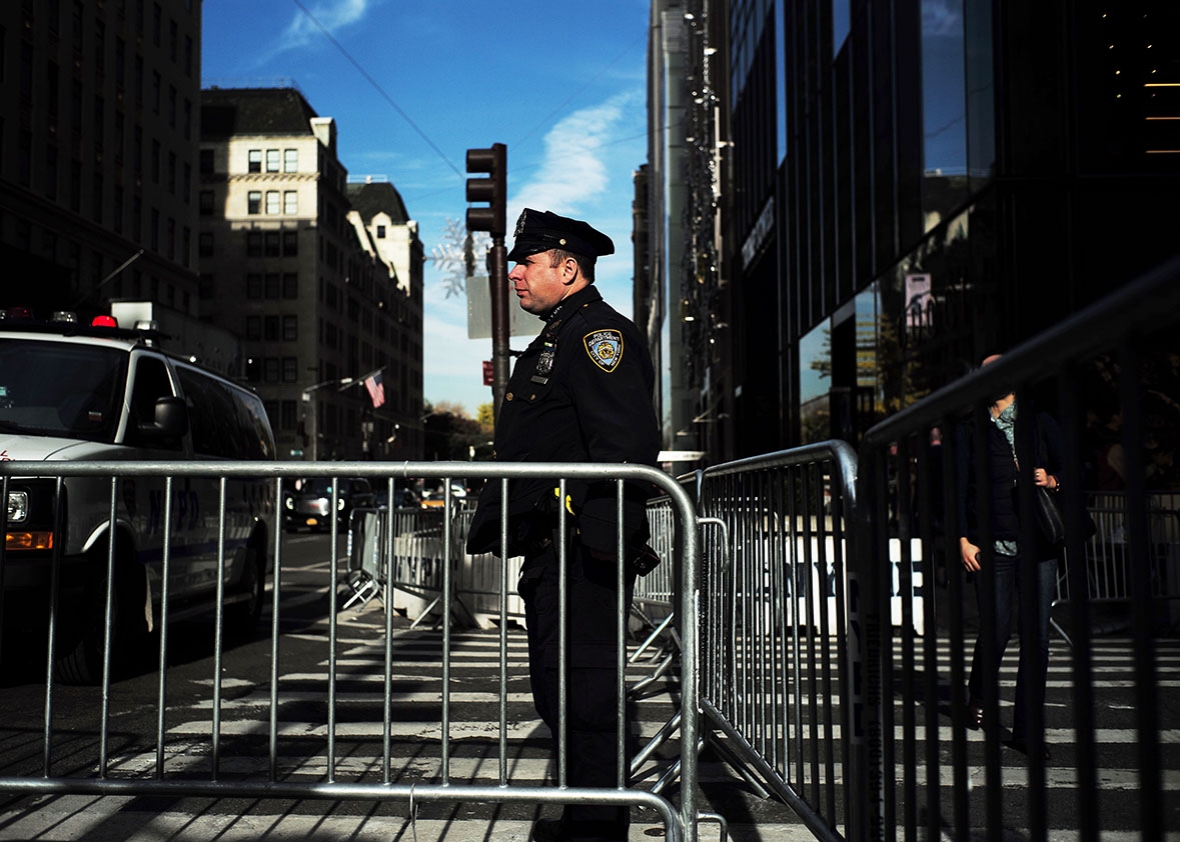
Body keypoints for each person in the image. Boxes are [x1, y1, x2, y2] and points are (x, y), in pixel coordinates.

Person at [465, 209, 661, 842]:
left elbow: (624, 449)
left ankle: (595, 832)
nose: (515, 275)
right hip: (556, 552)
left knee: (589, 703)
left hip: (584, 553)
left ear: (567, 268)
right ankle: (584, 819)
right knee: (561, 694)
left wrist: (605, 549)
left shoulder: (598, 337)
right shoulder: (558, 337)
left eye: (527, 263)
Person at [955, 353, 1064, 761]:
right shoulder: (970, 428)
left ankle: (1026, 732)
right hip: (992, 545)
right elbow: (957, 486)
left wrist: (1054, 479)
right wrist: (962, 540)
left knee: (1035, 639)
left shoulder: (1038, 420)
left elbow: (1073, 466)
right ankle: (979, 692)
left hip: (1038, 545)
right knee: (996, 632)